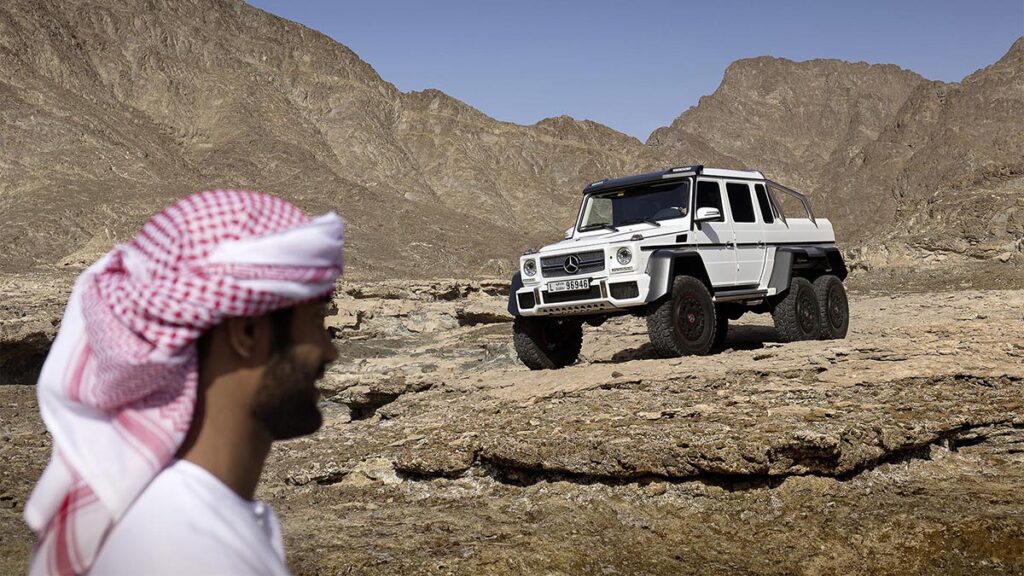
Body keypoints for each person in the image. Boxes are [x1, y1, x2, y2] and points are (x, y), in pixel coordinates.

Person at [24, 190, 345, 575]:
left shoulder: (187, 515)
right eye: (315, 321)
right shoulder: (188, 553)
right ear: (246, 332)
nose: (330, 352)